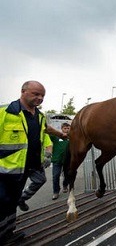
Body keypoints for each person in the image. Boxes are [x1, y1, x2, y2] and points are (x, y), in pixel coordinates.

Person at [0, 81, 63, 244]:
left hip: (26, 167)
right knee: (2, 202)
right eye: (36, 94)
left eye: (42, 95)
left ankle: (7, 233)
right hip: (5, 170)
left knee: (12, 202)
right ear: (23, 91)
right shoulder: (5, 112)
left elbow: (45, 132)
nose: (40, 98)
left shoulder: (40, 116)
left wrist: (60, 139)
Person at [50, 122, 70, 200]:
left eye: (68, 128)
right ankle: (56, 192)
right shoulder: (56, 137)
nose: (67, 130)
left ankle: (65, 185)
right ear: (62, 129)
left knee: (67, 175)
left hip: (67, 161)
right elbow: (48, 135)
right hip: (57, 160)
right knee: (55, 176)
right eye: (65, 128)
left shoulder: (71, 137)